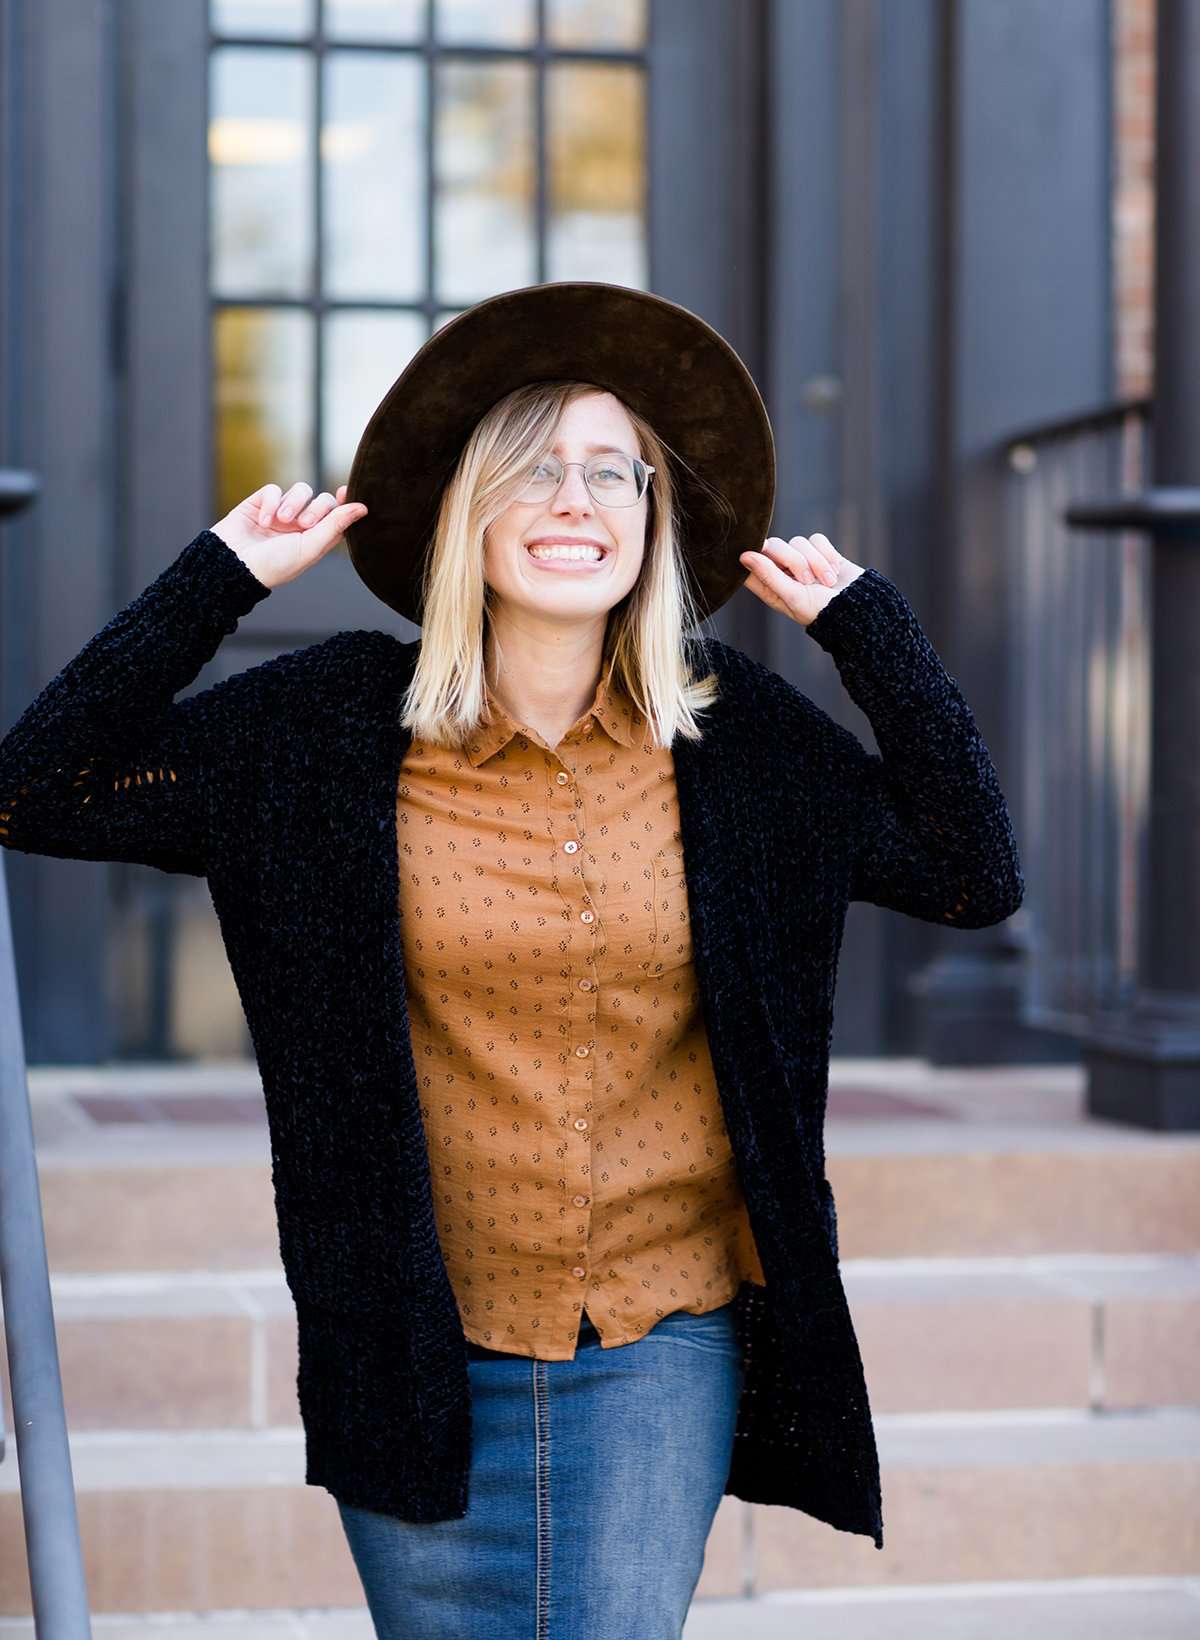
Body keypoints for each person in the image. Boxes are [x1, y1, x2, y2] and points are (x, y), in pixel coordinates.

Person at [0, 282, 1024, 1638]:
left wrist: (871, 635)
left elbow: (975, 875)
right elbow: (34, 791)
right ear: (466, 511)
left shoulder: (745, 747)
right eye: (534, 467)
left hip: (663, 1341)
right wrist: (217, 581)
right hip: (408, 1343)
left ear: (654, 526)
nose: (576, 498)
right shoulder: (323, 735)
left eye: (615, 473)